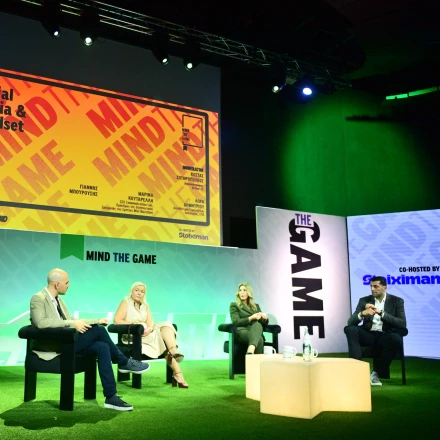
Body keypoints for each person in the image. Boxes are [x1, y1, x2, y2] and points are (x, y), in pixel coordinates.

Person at [30, 268, 150, 411]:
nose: (68, 285)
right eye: (67, 283)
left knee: (102, 347)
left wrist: (96, 320)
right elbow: (41, 322)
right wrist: (72, 324)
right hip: (56, 346)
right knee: (99, 331)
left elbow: (72, 319)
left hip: (68, 342)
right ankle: (123, 362)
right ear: (57, 284)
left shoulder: (58, 300)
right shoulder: (38, 298)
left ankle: (111, 397)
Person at [114, 281, 188, 388]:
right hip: (133, 336)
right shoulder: (125, 302)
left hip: (148, 334)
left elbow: (150, 323)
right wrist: (136, 327)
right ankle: (178, 374)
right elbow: (117, 320)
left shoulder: (145, 305)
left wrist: (148, 329)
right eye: (137, 290)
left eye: (142, 291)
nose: (139, 293)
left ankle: (174, 352)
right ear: (131, 291)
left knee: (167, 325)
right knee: (163, 343)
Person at [344, 276, 407, 386]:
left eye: (376, 286)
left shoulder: (397, 301)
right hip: (369, 334)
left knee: (396, 339)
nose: (372, 289)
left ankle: (376, 373)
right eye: (371, 286)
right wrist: (362, 314)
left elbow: (402, 323)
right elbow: (350, 322)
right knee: (350, 329)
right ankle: (356, 370)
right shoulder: (364, 300)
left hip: (385, 335)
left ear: (384, 287)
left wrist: (381, 313)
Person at [229, 282, 268, 354]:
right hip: (241, 331)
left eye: (244, 290)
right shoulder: (234, 305)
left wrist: (264, 318)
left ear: (249, 292)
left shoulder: (256, 306)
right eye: (240, 290)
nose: (242, 292)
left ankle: (250, 351)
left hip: (255, 330)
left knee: (258, 326)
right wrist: (251, 318)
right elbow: (236, 321)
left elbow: (262, 323)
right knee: (259, 339)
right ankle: (251, 351)